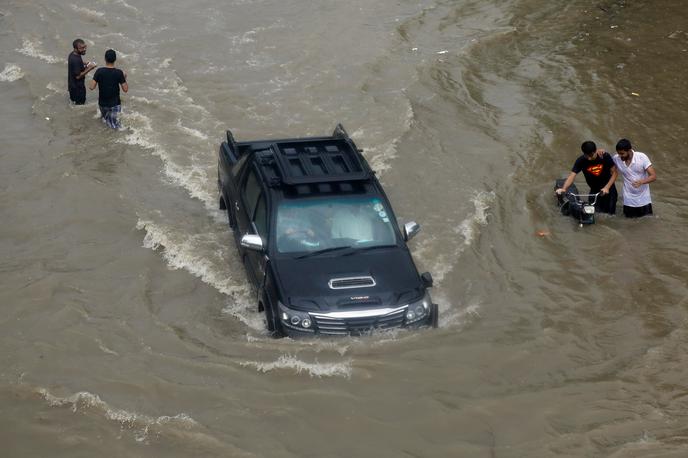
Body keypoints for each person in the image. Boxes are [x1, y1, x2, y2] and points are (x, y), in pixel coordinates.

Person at [556, 140, 618, 214]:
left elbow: (615, 173)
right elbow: (572, 176)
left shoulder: (604, 156)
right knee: (592, 213)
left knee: (610, 215)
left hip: (609, 190)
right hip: (594, 191)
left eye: (591, 156)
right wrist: (564, 188)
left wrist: (607, 187)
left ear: (595, 151)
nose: (588, 158)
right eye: (586, 155)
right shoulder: (581, 161)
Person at [612, 138, 656, 218]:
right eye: (618, 154)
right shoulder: (616, 158)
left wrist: (641, 182)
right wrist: (599, 151)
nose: (620, 156)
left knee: (647, 222)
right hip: (628, 199)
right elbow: (607, 163)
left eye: (622, 154)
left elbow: (653, 176)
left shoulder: (642, 157)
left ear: (629, 150)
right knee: (629, 223)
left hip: (644, 198)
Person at [89, 49, 128, 129]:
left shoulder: (99, 71)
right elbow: (125, 89)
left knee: (105, 121)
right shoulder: (119, 72)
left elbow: (91, 87)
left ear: (105, 59)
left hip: (102, 104)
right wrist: (124, 77)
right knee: (116, 127)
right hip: (114, 104)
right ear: (115, 59)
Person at [67, 39, 96, 105]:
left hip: (72, 86)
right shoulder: (75, 60)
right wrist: (90, 68)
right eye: (82, 48)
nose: (84, 49)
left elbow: (77, 63)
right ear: (75, 49)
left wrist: (86, 63)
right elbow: (78, 76)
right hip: (77, 89)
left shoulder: (72, 54)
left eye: (85, 47)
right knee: (80, 106)